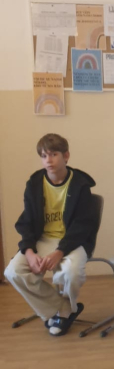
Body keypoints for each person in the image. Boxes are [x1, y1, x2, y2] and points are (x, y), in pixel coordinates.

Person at [4, 133, 97, 337]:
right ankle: (63, 308)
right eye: (44, 156)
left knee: (71, 273)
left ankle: (61, 313)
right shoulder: (34, 183)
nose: (49, 160)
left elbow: (83, 226)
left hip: (72, 241)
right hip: (42, 239)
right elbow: (26, 222)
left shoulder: (80, 185)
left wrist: (59, 252)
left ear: (66, 156)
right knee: (13, 272)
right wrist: (29, 252)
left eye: (54, 154)